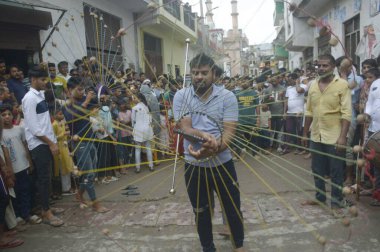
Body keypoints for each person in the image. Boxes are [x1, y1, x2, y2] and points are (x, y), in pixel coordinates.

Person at [173, 53, 244, 252]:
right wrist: (205, 137)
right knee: (201, 210)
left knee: (232, 207)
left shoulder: (227, 97)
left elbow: (229, 131)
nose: (198, 77)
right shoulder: (181, 96)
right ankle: (207, 247)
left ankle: (238, 245)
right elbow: (184, 129)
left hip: (223, 163)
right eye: (195, 73)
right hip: (193, 165)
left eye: (204, 73)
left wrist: (215, 147)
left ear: (214, 74)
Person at [302, 54, 352, 218]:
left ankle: (336, 202)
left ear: (333, 67)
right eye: (319, 66)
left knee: (336, 170)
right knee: (317, 169)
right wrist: (304, 132)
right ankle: (320, 197)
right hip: (316, 135)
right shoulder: (313, 86)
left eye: (325, 66)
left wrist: (343, 137)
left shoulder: (342, 85)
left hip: (335, 135)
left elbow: (346, 113)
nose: (321, 69)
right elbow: (309, 110)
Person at [21, 64, 64, 227]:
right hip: (39, 144)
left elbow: (44, 121)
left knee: (47, 177)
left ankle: (48, 207)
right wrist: (51, 143)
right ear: (33, 80)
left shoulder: (40, 95)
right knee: (43, 178)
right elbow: (33, 127)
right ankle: (45, 212)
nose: (45, 82)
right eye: (42, 79)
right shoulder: (30, 98)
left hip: (47, 141)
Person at [63, 76, 109, 213]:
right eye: (78, 89)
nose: (82, 92)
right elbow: (71, 118)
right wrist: (87, 101)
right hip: (79, 144)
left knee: (91, 173)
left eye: (83, 89)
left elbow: (96, 105)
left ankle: (79, 194)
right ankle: (96, 204)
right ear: (70, 90)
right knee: (89, 174)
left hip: (90, 140)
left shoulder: (84, 99)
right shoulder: (67, 105)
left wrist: (101, 97)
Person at [0, 104, 40, 225]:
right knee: (14, 193)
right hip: (11, 169)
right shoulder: (1, 134)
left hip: (24, 165)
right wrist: (8, 170)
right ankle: (18, 216)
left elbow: (25, 146)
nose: (6, 117)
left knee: (26, 190)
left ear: (13, 115)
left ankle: (27, 213)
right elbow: (4, 154)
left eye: (9, 114)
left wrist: (30, 162)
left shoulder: (19, 129)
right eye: (3, 115)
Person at [52, 105, 75, 195]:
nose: (62, 116)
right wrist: (64, 134)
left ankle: (68, 187)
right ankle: (65, 189)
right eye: (60, 114)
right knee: (63, 169)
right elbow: (53, 138)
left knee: (68, 166)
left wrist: (67, 135)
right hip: (59, 148)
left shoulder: (61, 123)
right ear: (55, 116)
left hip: (65, 147)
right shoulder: (54, 124)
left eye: (62, 114)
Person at [282, 73, 307, 155]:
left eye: (290, 80)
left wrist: (297, 83)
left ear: (296, 79)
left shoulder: (303, 86)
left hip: (299, 113)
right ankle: (287, 148)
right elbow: (286, 100)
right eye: (288, 80)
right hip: (289, 113)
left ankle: (299, 148)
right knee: (288, 130)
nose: (288, 81)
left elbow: (299, 91)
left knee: (299, 131)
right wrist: (284, 112)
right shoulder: (288, 88)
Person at [132, 93, 154, 173]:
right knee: (148, 147)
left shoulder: (134, 108)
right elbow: (150, 119)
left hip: (138, 129)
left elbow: (133, 121)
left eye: (134, 98)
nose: (133, 99)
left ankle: (138, 167)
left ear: (139, 99)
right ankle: (151, 166)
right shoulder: (147, 107)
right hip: (147, 129)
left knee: (137, 149)